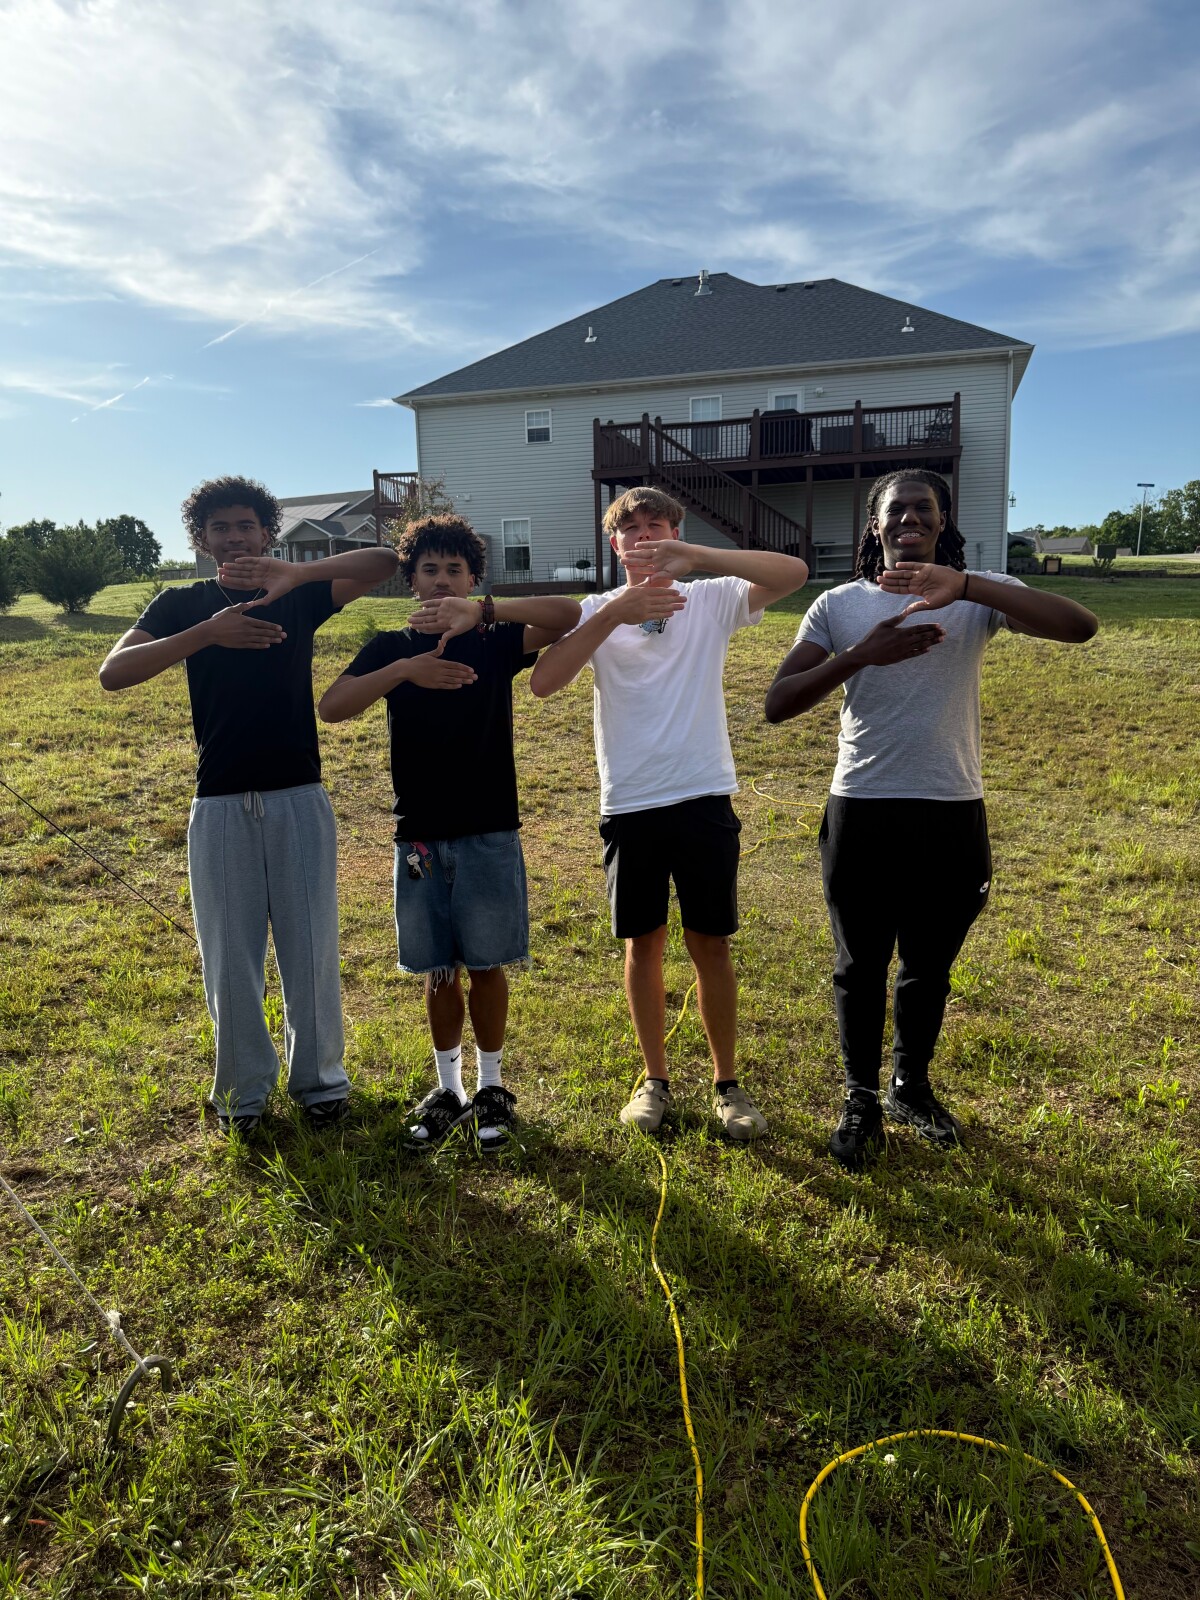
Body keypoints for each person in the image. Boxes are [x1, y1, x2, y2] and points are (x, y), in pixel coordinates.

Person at [765, 469, 1098, 1168]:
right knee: (860, 965)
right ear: (876, 525)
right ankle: (861, 1097)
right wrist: (862, 655)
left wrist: (968, 586)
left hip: (950, 807)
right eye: (896, 510)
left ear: (943, 520)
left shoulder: (978, 595)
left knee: (929, 966)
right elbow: (778, 702)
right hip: (863, 805)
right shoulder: (838, 604)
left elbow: (1080, 628)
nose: (909, 518)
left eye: (924, 508)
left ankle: (909, 1087)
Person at [99, 476, 399, 1137]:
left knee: (310, 948)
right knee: (230, 958)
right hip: (219, 801)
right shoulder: (182, 603)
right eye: (220, 528)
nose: (234, 538)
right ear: (202, 540)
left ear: (267, 532)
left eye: (245, 526)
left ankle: (321, 1086)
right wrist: (206, 635)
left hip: (299, 796)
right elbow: (113, 673)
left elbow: (385, 562)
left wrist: (298, 573)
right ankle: (242, 1097)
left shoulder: (299, 592)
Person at [530, 487, 808, 1139]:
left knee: (710, 943)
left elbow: (793, 573)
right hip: (630, 801)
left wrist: (695, 557)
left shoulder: (709, 598)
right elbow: (544, 683)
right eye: (630, 527)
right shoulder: (595, 611)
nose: (644, 534)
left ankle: (727, 1084)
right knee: (643, 943)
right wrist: (614, 612)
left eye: (656, 524)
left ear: (675, 533)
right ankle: (654, 1080)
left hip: (703, 794)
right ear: (614, 544)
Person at [318, 515, 580, 1153]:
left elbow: (567, 615)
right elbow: (332, 706)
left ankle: (492, 1087)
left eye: (454, 570)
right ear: (410, 580)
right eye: (429, 569)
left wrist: (486, 612)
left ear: (472, 579)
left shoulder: (495, 639)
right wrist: (405, 671)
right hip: (420, 837)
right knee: (438, 971)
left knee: (487, 966)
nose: (441, 580)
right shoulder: (390, 646)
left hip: (489, 830)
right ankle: (450, 1090)